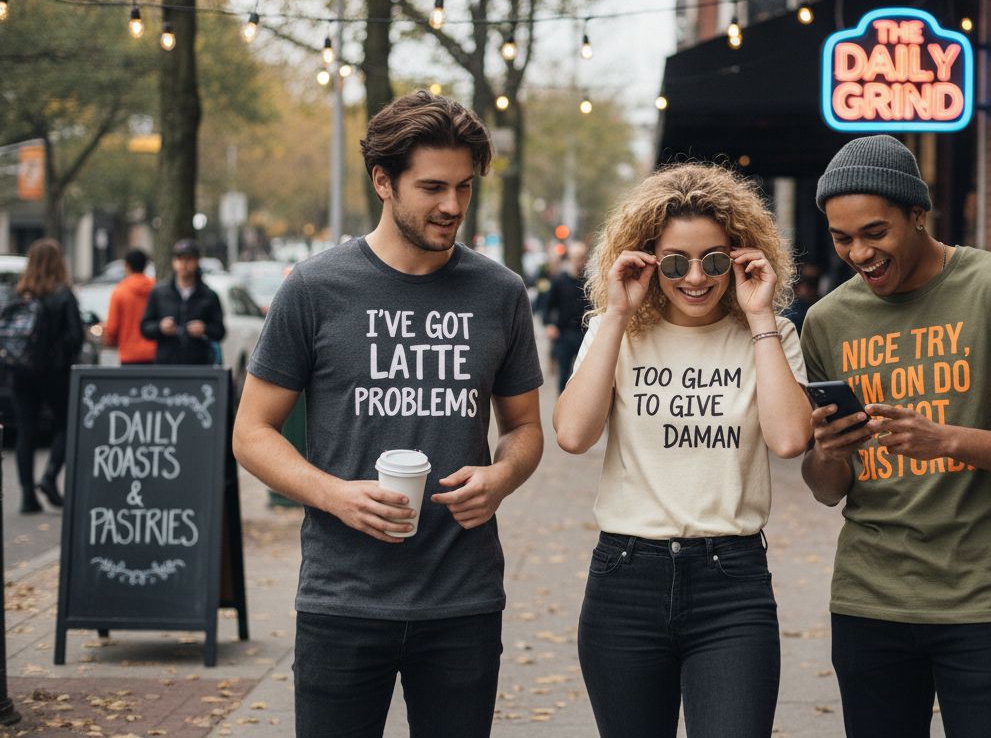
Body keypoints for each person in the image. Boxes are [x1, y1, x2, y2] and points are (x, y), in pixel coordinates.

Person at [233, 90, 544, 738]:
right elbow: (251, 433)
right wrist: (335, 495)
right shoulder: (314, 288)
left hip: (462, 599)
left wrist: (502, 477)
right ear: (383, 180)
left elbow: (524, 429)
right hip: (343, 599)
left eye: (464, 186)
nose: (453, 205)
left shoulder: (501, 293)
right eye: (432, 186)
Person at [798, 135, 991, 738]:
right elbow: (825, 489)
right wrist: (829, 452)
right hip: (867, 598)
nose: (859, 253)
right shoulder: (826, 321)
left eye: (875, 232)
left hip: (982, 598)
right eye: (843, 238)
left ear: (917, 214)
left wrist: (947, 439)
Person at [553, 164, 813, 738]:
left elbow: (791, 440)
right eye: (675, 262)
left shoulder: (769, 336)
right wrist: (618, 313)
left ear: (741, 256)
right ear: (646, 260)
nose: (696, 277)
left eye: (714, 260)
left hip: (732, 583)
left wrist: (762, 315)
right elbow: (573, 436)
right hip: (625, 579)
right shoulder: (614, 332)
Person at [9, 239, 83, 513]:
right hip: (54, 374)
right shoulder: (63, 294)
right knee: (66, 424)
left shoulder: (17, 293)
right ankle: (50, 476)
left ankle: (27, 496)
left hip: (20, 372)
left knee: (25, 432)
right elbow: (75, 336)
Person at [139, 239, 225, 365]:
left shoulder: (209, 295)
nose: (183, 264)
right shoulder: (159, 293)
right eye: (179, 259)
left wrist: (204, 329)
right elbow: (144, 327)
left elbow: (220, 331)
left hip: (199, 366)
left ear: (197, 262)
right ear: (174, 262)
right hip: (166, 366)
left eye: (189, 259)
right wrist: (160, 327)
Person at [542, 241, 589, 393]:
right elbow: (548, 306)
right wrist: (549, 324)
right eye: (575, 258)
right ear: (570, 258)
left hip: (585, 334)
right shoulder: (559, 281)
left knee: (584, 374)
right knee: (564, 373)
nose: (578, 262)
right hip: (564, 333)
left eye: (581, 258)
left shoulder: (590, 282)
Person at [102, 248, 156, 364]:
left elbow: (112, 328)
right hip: (154, 353)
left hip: (129, 354)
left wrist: (110, 341)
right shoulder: (156, 289)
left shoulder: (120, 292)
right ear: (145, 266)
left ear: (127, 266)